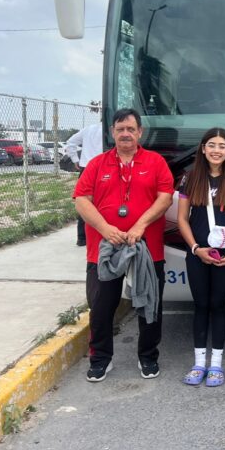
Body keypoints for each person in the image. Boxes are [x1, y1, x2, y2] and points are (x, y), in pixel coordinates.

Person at [73, 108, 174, 382]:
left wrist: (141, 225)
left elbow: (165, 196)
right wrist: (105, 229)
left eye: (131, 129)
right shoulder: (97, 164)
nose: (126, 134)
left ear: (140, 132)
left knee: (150, 303)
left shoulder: (155, 162)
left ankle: (148, 356)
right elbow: (81, 200)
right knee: (101, 306)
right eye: (120, 129)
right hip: (104, 248)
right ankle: (100, 359)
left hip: (146, 246)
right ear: (112, 133)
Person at [177, 128, 225, 387]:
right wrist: (196, 248)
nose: (216, 150)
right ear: (203, 148)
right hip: (197, 252)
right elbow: (182, 219)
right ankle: (199, 364)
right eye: (211, 145)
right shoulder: (189, 177)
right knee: (201, 305)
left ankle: (216, 364)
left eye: (221, 146)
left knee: (218, 305)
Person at [66, 122, 103, 246]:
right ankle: (100, 235)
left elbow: (70, 142)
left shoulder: (88, 129)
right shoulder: (112, 131)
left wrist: (75, 159)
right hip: (103, 167)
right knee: (103, 201)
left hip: (86, 168)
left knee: (83, 202)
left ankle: (82, 238)